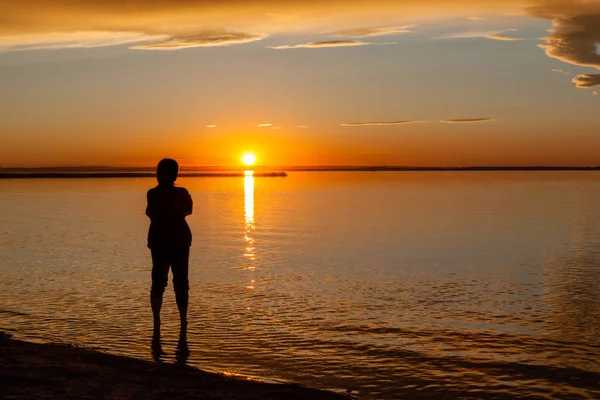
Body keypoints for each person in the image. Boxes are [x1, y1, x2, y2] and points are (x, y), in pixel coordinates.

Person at [146, 158, 193, 340]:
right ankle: (161, 322)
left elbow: (153, 213)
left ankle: (178, 323)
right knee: (167, 281)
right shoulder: (158, 194)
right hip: (167, 240)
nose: (159, 175)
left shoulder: (156, 194)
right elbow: (186, 211)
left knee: (174, 282)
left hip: (171, 240)